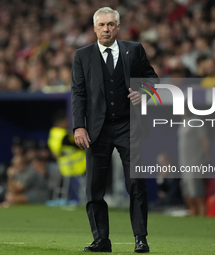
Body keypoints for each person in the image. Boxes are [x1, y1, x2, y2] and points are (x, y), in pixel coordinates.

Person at [71, 7, 158, 253]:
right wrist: (79, 125)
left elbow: (153, 79)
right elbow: (78, 93)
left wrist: (144, 93)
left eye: (111, 24)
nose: (106, 29)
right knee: (95, 187)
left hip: (128, 126)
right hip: (96, 130)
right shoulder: (82, 56)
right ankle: (102, 240)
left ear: (117, 27)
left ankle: (141, 238)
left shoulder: (134, 50)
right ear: (94, 27)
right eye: (102, 25)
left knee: (136, 183)